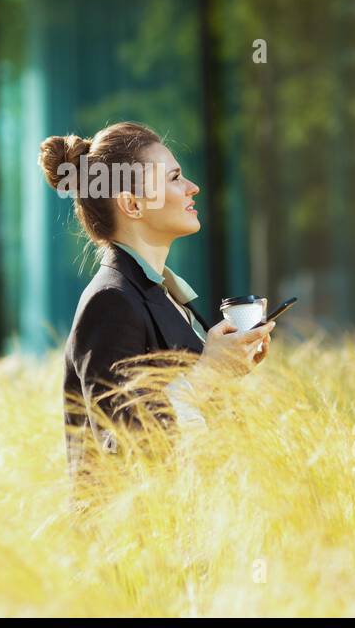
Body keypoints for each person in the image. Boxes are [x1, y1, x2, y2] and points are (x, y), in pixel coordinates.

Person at [37, 121, 275, 477]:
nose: (193, 188)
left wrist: (228, 369)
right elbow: (126, 445)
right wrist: (209, 372)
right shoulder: (110, 302)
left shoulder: (163, 295)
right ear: (133, 204)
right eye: (175, 178)